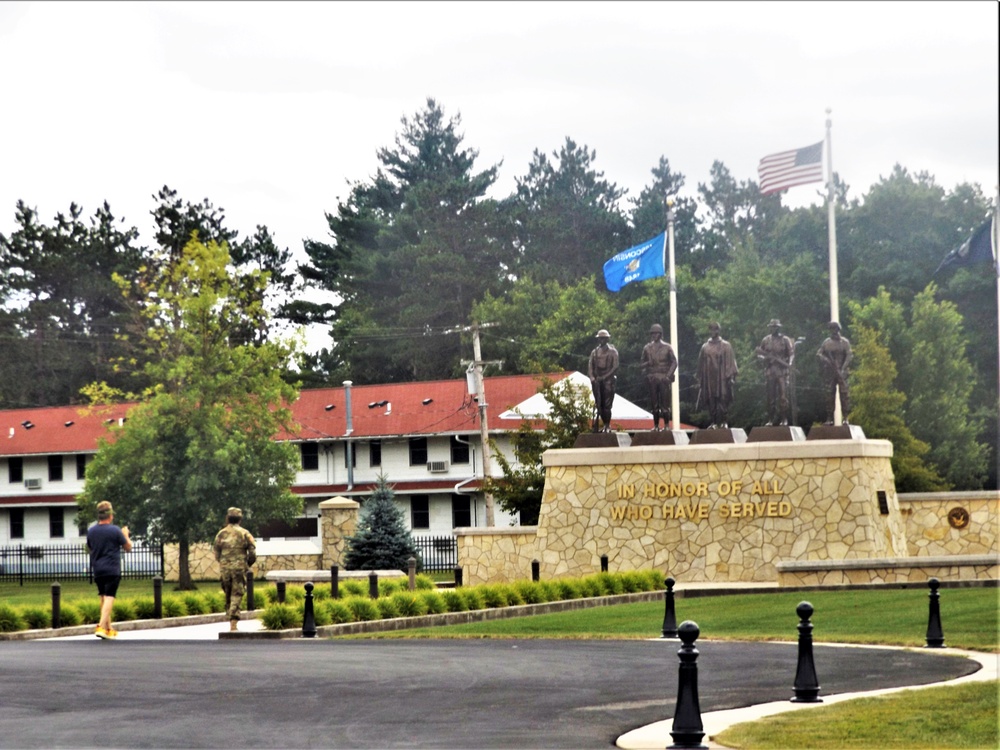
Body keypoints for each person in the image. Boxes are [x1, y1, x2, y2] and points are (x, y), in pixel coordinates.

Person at [86, 500, 132, 639]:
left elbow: (90, 547)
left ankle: (108, 628)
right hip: (112, 568)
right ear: (110, 515)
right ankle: (100, 626)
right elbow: (128, 547)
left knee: (103, 597)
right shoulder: (115, 530)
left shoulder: (91, 531)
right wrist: (125, 535)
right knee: (110, 597)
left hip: (98, 569)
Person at [213, 507, 257, 632]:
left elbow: (216, 552)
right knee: (237, 593)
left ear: (228, 518)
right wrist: (247, 563)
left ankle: (230, 616)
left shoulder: (221, 533)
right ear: (240, 519)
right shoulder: (245, 533)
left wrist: (223, 563)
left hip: (225, 568)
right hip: (239, 568)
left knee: (228, 592)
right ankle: (233, 622)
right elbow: (252, 552)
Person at [697, 322, 739, 429]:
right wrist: (701, 380)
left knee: (723, 399)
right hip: (709, 378)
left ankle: (724, 421)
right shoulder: (705, 347)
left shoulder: (726, 345)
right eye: (711, 329)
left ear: (718, 331)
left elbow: (731, 362)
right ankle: (714, 422)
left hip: (722, 377)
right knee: (711, 400)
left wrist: (731, 377)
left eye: (715, 329)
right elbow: (701, 365)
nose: (713, 332)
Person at [755, 318, 795, 426]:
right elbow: (760, 354)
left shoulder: (785, 340)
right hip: (770, 370)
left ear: (779, 327)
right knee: (770, 397)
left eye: (775, 327)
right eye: (772, 327)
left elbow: (791, 353)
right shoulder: (766, 340)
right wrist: (763, 359)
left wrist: (789, 363)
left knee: (783, 396)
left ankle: (784, 419)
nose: (773, 329)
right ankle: (771, 419)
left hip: (782, 371)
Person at [640, 323, 677, 430]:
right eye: (653, 333)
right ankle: (656, 425)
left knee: (665, 404)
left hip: (664, 378)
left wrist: (668, 375)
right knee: (654, 404)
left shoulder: (667, 347)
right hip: (652, 378)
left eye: (656, 333)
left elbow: (674, 362)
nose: (654, 335)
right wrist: (647, 364)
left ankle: (666, 425)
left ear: (660, 334)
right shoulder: (647, 348)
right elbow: (641, 364)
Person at [816, 321, 852, 425]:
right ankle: (829, 418)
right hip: (830, 373)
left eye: (835, 329)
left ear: (838, 330)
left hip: (842, 372)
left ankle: (845, 417)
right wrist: (825, 360)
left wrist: (843, 368)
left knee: (844, 395)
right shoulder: (827, 342)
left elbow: (849, 355)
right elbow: (819, 354)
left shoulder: (844, 342)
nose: (833, 331)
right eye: (831, 329)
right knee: (829, 395)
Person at [588, 329, 619, 432]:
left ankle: (607, 425)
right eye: (600, 338)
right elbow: (590, 367)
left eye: (604, 338)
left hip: (608, 381)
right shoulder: (594, 352)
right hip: (597, 382)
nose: (602, 340)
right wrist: (592, 378)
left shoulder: (613, 351)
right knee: (599, 405)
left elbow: (615, 367)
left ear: (607, 339)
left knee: (607, 405)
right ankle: (603, 424)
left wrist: (605, 377)